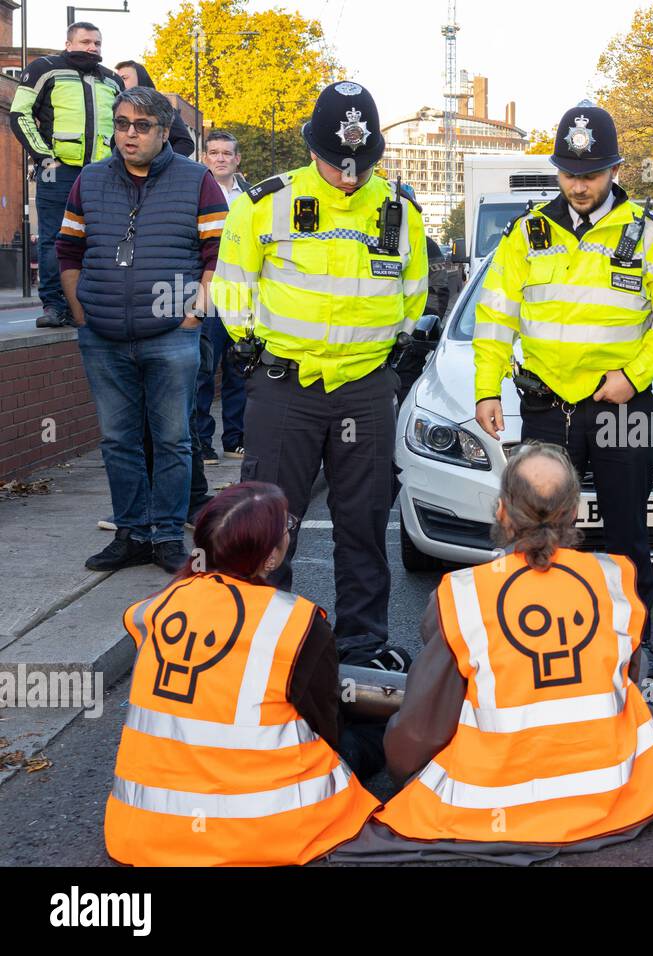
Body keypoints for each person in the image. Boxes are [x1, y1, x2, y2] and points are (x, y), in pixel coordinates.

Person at [336, 443, 653, 864]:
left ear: (502, 512)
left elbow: (416, 738)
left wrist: (397, 762)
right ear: (574, 512)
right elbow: (629, 682)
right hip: (612, 795)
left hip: (489, 803)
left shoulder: (464, 593)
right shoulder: (614, 578)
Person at [473, 104, 653, 679]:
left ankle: (634, 647)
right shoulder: (527, 233)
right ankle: (541, 643)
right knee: (540, 530)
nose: (580, 184)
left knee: (626, 531)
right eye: (571, 172)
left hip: (620, 404)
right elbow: (495, 317)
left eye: (592, 173)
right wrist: (487, 389)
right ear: (557, 171)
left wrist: (635, 375)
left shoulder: (651, 235)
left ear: (615, 169)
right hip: (547, 406)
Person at [210, 81, 428, 672]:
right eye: (337, 165)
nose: (349, 177)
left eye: (360, 165)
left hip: (364, 388)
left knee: (362, 527)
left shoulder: (399, 211)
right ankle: (260, 643)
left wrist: (386, 357)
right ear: (313, 150)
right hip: (285, 387)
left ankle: (362, 646)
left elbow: (413, 296)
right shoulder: (264, 204)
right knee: (268, 525)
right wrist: (253, 356)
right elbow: (231, 287)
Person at [103, 481, 380, 866]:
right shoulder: (293, 621)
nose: (289, 531)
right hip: (259, 829)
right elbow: (326, 726)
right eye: (288, 527)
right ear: (270, 558)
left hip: (142, 829)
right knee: (368, 736)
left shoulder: (157, 607)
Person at [58, 86, 227, 574]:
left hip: (172, 334)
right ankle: (131, 533)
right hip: (103, 336)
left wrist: (195, 314)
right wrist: (80, 310)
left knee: (174, 439)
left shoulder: (198, 181)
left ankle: (168, 535)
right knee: (117, 440)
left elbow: (218, 256)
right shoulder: (88, 180)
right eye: (122, 124)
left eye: (141, 126)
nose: (129, 134)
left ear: (163, 130)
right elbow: (68, 249)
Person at [10, 22, 123, 328]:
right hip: (57, 171)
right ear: (69, 43)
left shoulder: (112, 79)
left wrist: (118, 163)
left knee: (101, 238)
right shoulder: (44, 68)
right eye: (86, 41)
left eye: (97, 43)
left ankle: (88, 305)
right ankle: (54, 305)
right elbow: (19, 114)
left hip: (102, 174)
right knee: (54, 239)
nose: (93, 48)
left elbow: (121, 126)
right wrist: (43, 156)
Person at [194, 130, 250, 464]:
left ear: (237, 159)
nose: (220, 158)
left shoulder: (250, 196)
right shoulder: (195, 191)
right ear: (205, 157)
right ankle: (202, 441)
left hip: (241, 293)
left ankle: (235, 439)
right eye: (213, 152)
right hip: (209, 291)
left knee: (239, 368)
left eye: (226, 153)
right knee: (203, 369)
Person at [113, 60, 195, 158]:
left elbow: (186, 143)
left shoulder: (161, 108)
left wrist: (162, 162)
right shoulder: (114, 108)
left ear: (140, 78)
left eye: (124, 78)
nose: (119, 83)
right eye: (122, 123)